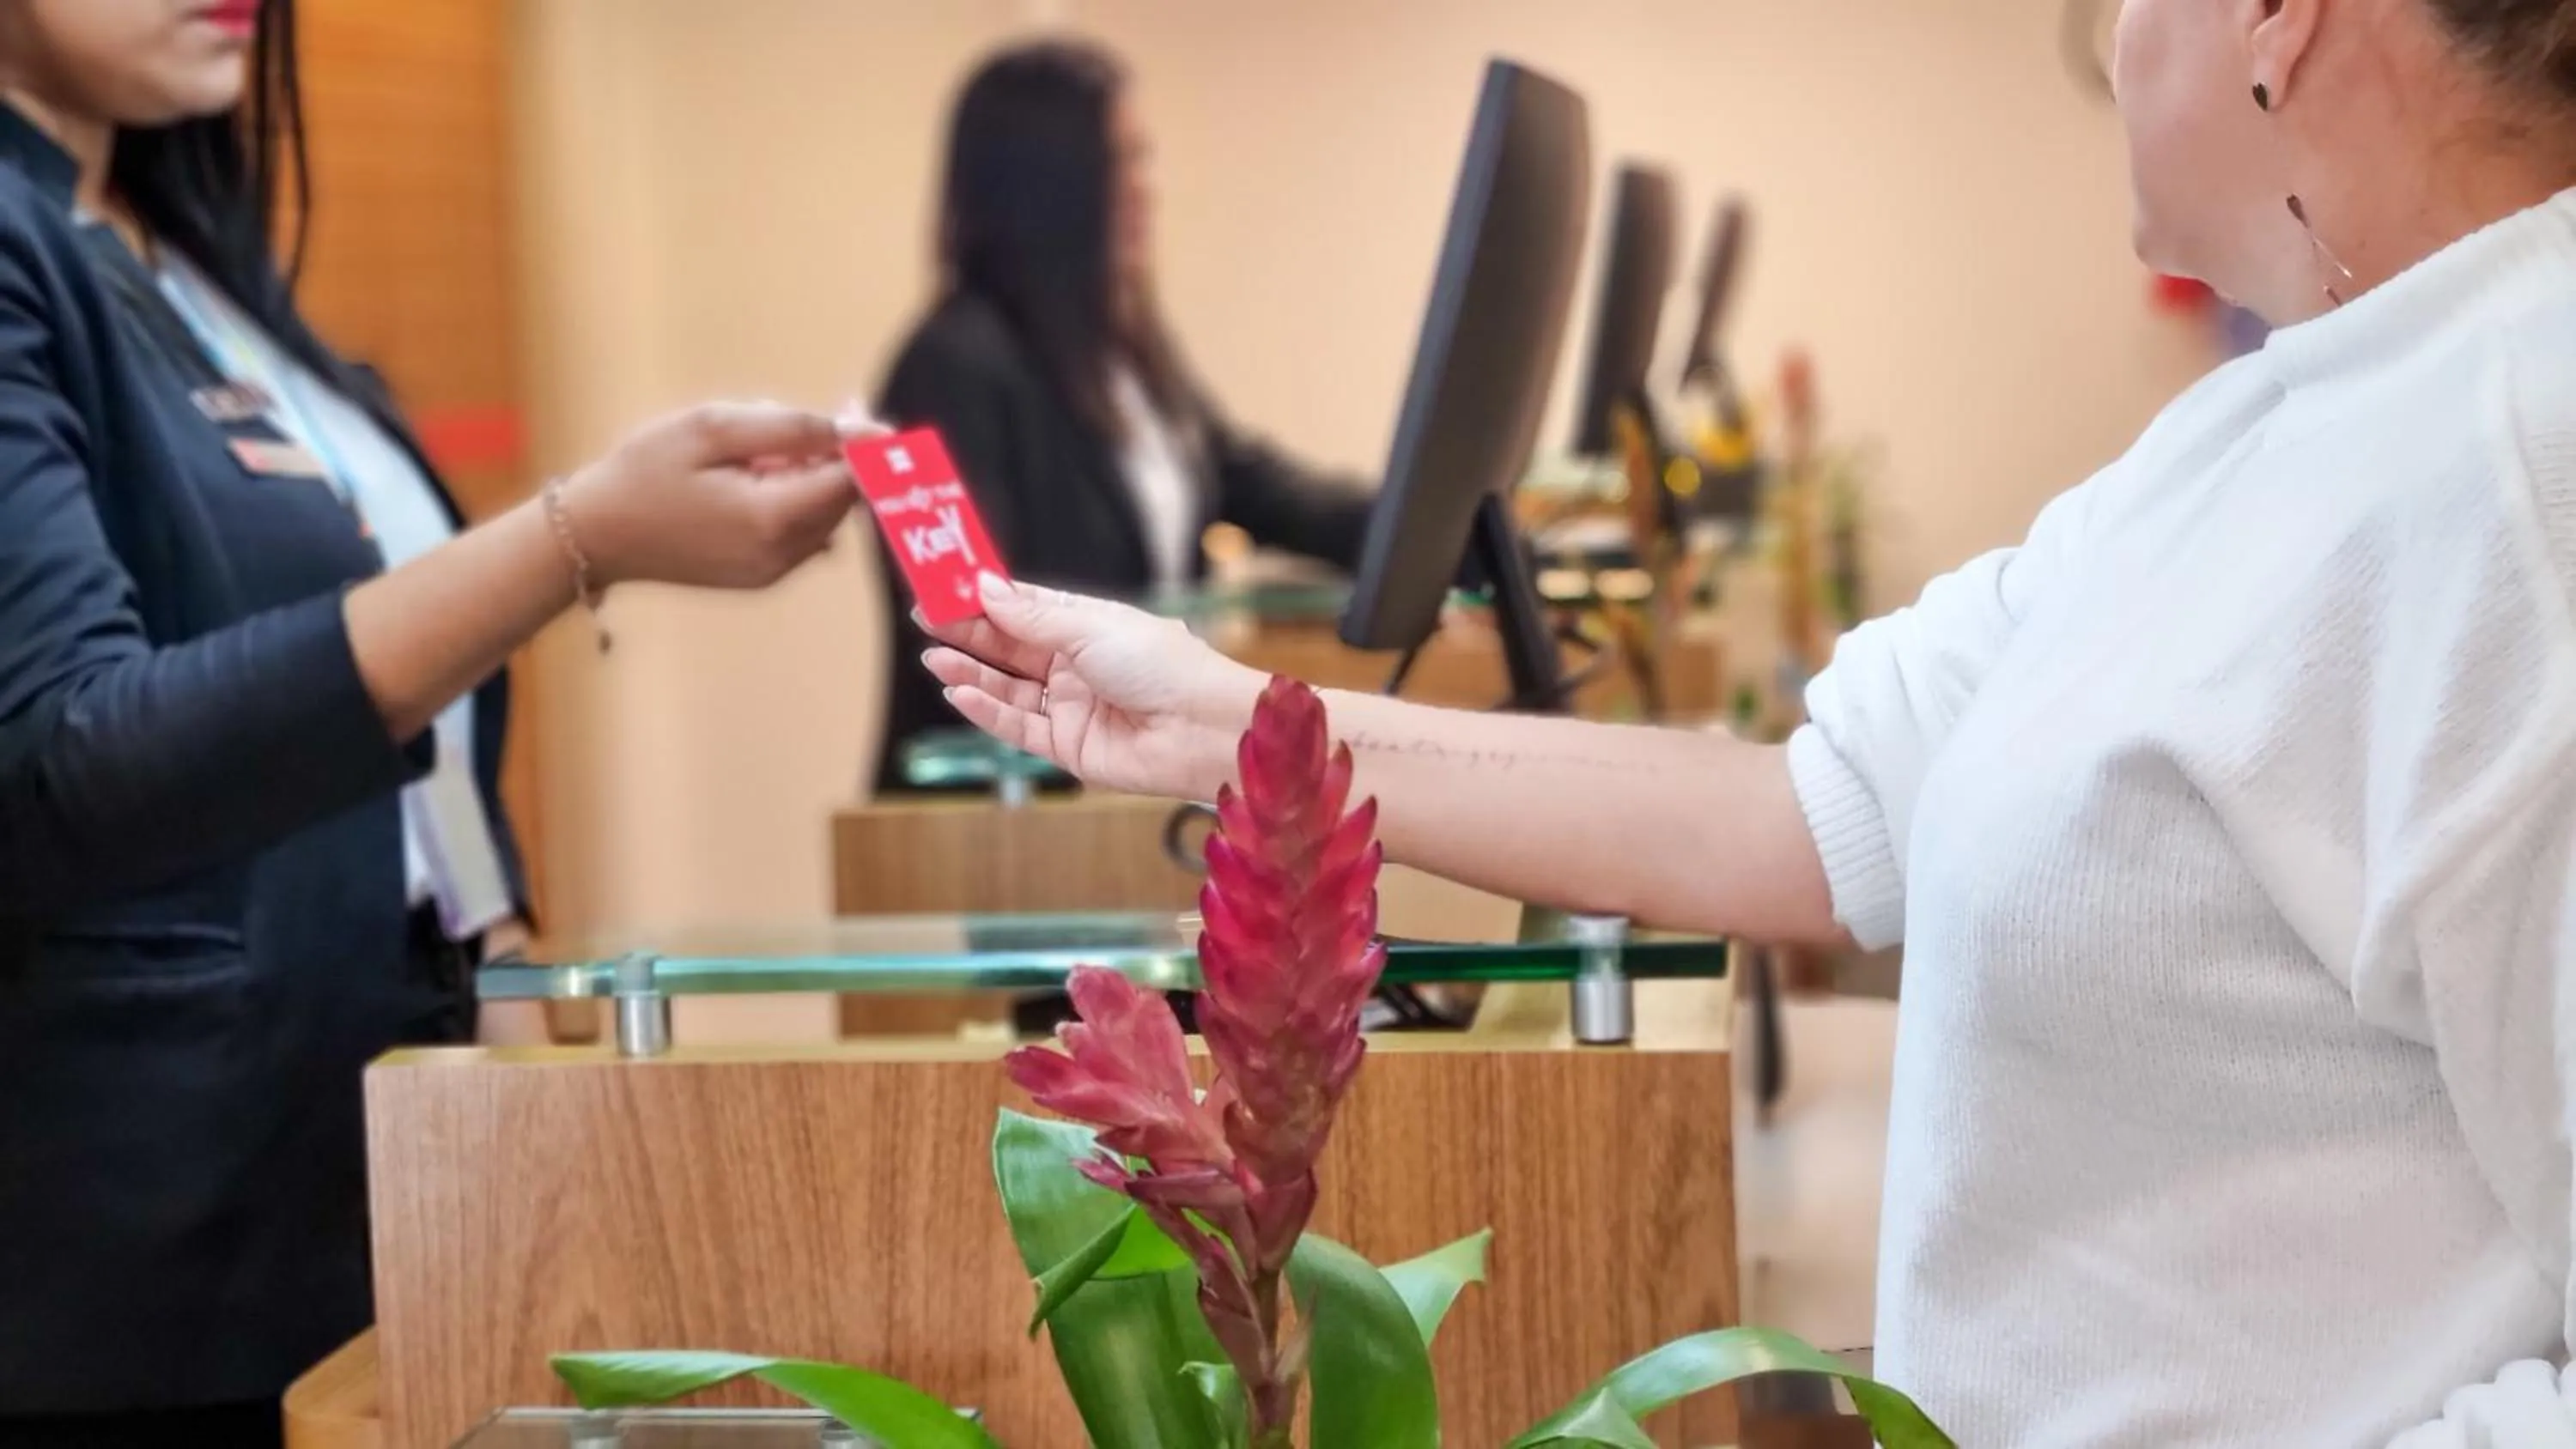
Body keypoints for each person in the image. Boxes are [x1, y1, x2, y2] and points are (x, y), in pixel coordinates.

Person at [924, 0, 2576, 1442]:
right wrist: (1233, 726)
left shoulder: (2523, 466)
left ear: (2278, 11)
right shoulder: (2274, 426)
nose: (2114, 45)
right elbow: (1814, 813)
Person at [0, 3, 855, 1444]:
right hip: (151, 1270)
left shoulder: (179, 247)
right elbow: (65, 758)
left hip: (381, 1162)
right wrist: (571, 540)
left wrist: (503, 965)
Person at [869, 39, 1374, 793]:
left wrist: (1454, 529)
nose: (1147, 188)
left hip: (1117, 794)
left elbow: (1267, 492)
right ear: (1043, 186)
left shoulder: (1125, 357)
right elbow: (970, 625)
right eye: (1121, 162)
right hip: (996, 820)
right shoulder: (942, 368)